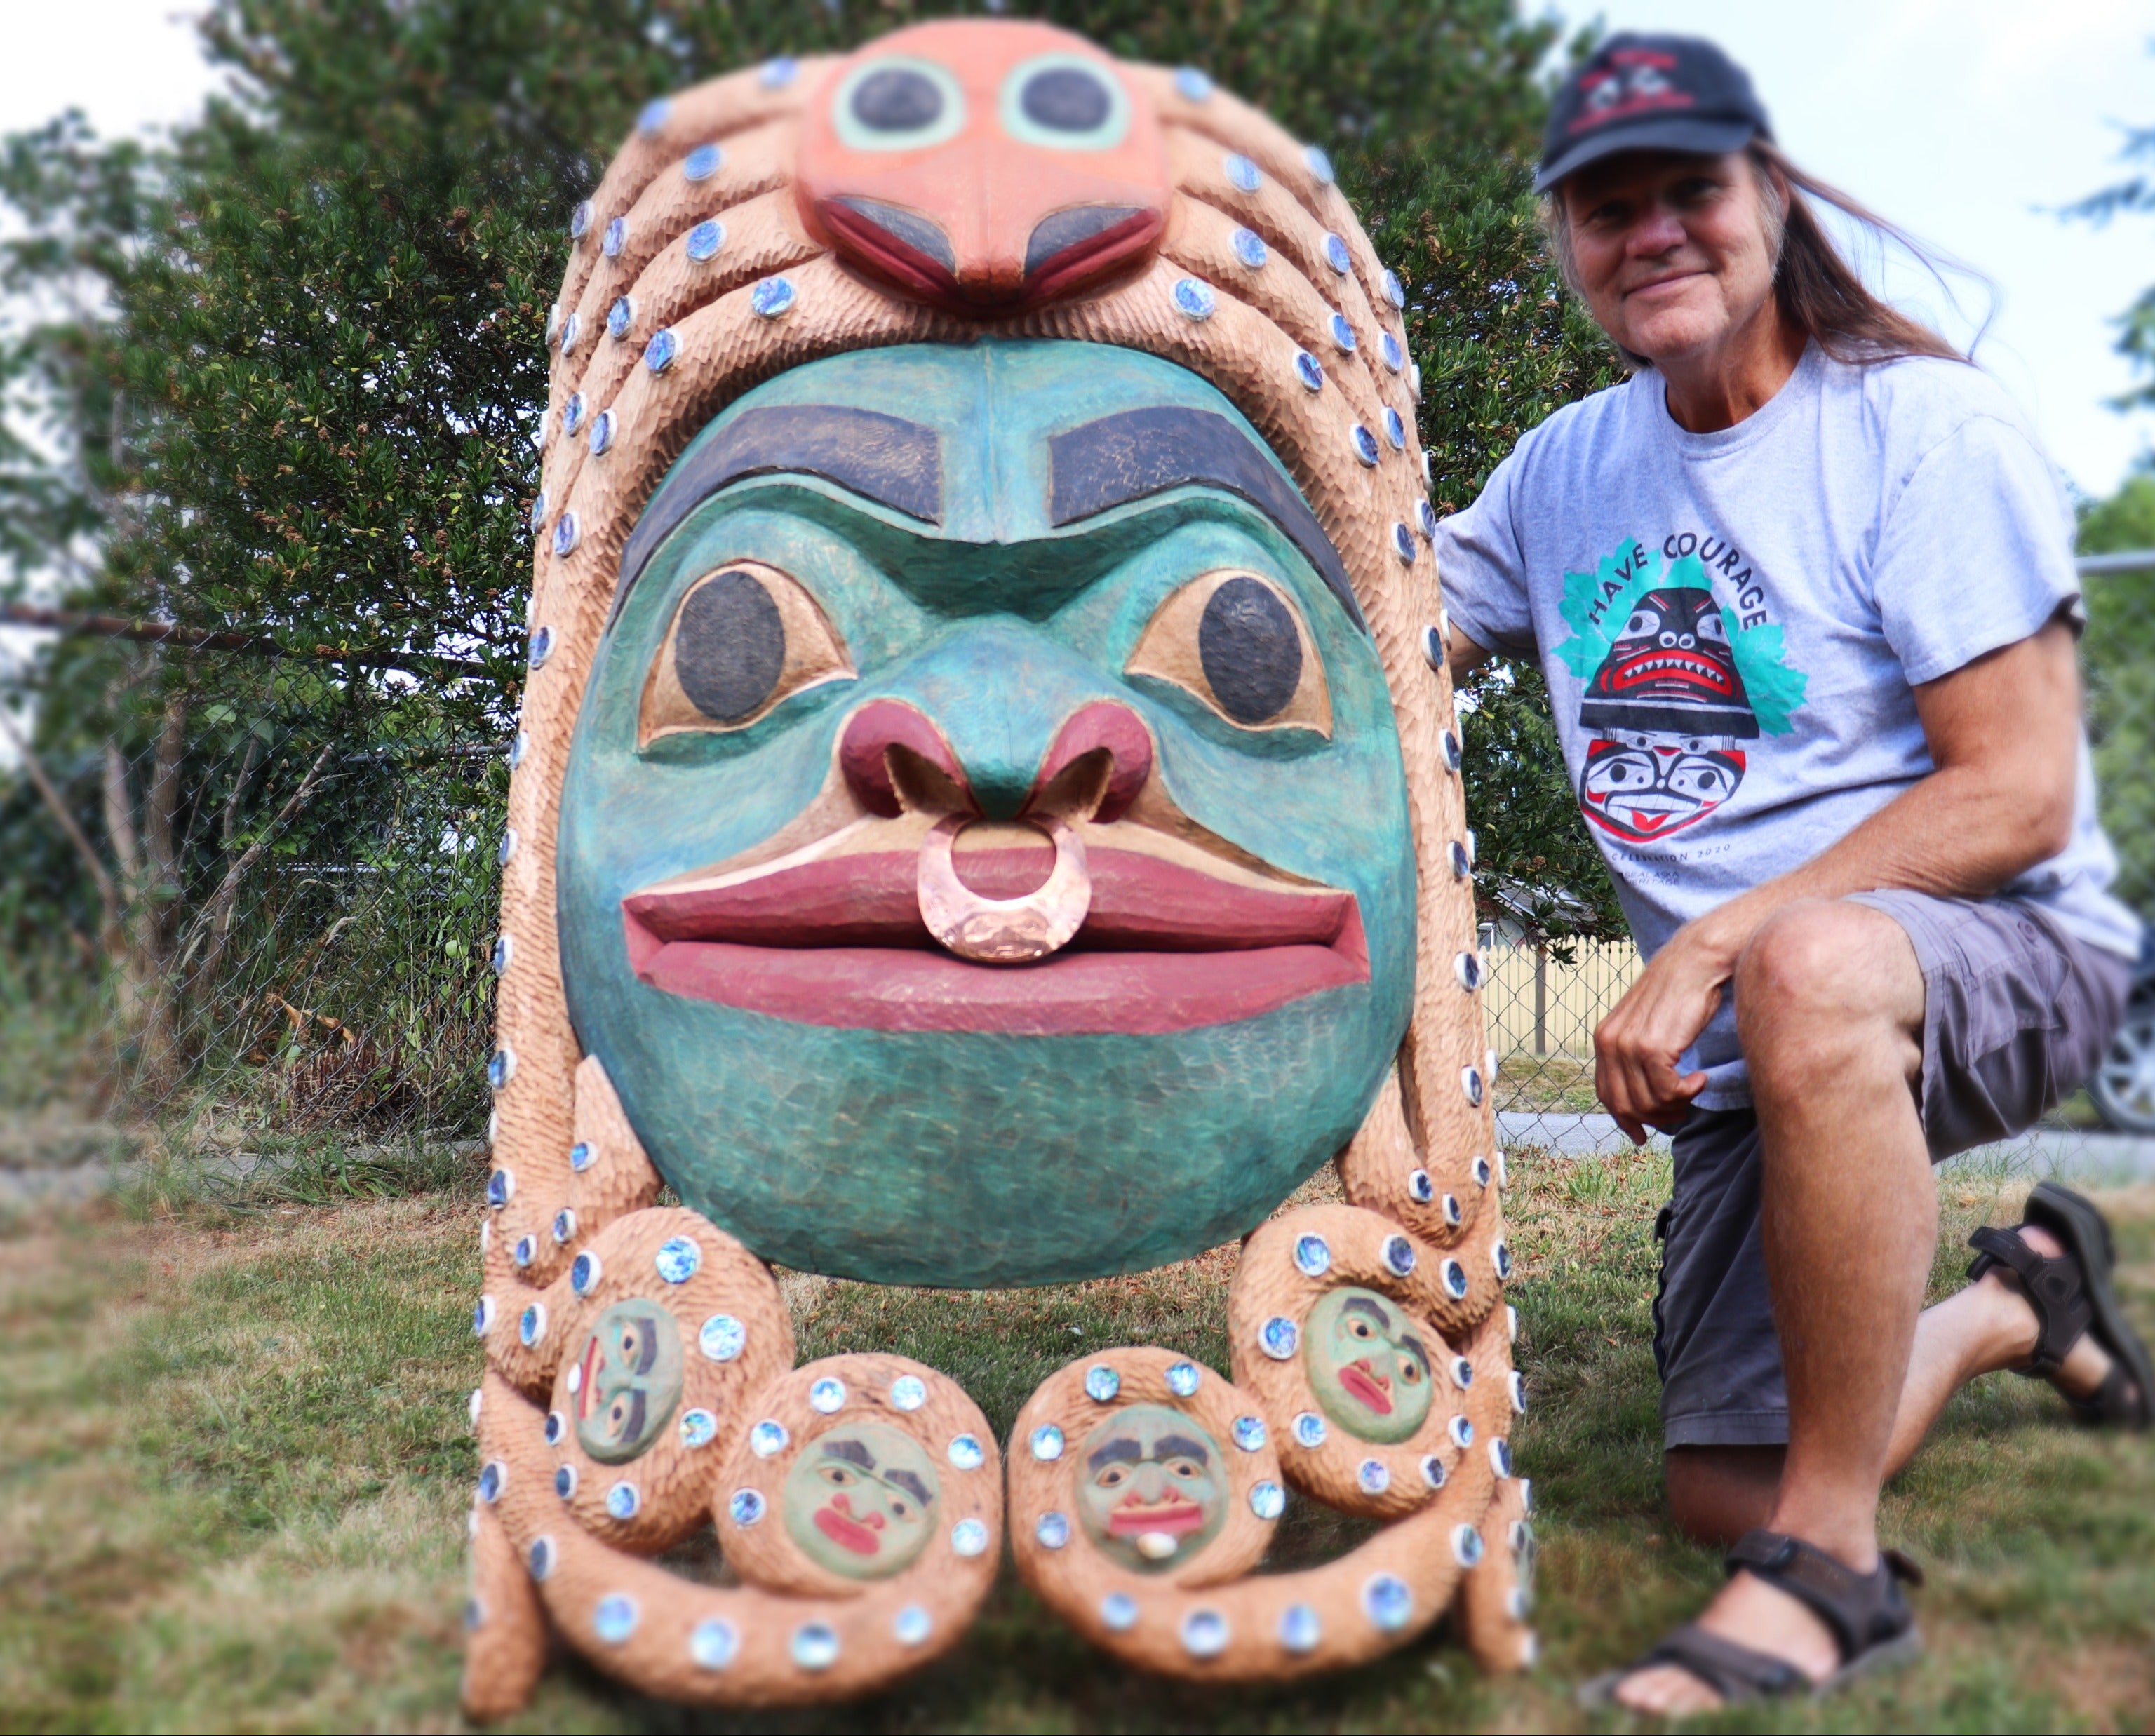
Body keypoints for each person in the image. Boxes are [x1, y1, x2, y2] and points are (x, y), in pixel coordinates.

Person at [1434, 32, 2151, 1716]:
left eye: (1692, 188)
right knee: (1714, 1499)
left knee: (1811, 962)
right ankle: (2011, 1301)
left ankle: (1831, 1572)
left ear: (1771, 197)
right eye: (1608, 208)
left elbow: (2024, 790)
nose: (1654, 232)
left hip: (2006, 945)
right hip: (1758, 1030)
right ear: (1564, 240)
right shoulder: (1562, 473)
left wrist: (1720, 943)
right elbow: (1374, 627)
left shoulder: (1923, 428)